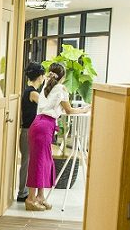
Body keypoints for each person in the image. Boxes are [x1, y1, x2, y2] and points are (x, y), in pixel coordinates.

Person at [25, 62, 91, 211]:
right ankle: (31, 199)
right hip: (44, 127)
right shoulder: (61, 88)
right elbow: (69, 110)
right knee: (38, 163)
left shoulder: (46, 87)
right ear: (64, 76)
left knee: (44, 162)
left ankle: (40, 197)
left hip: (40, 125)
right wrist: (83, 110)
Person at [16, 63, 46, 203]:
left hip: (27, 131)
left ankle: (24, 192)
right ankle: (23, 193)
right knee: (27, 162)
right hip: (28, 132)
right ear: (40, 77)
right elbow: (45, 105)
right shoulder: (32, 93)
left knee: (27, 162)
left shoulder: (29, 91)